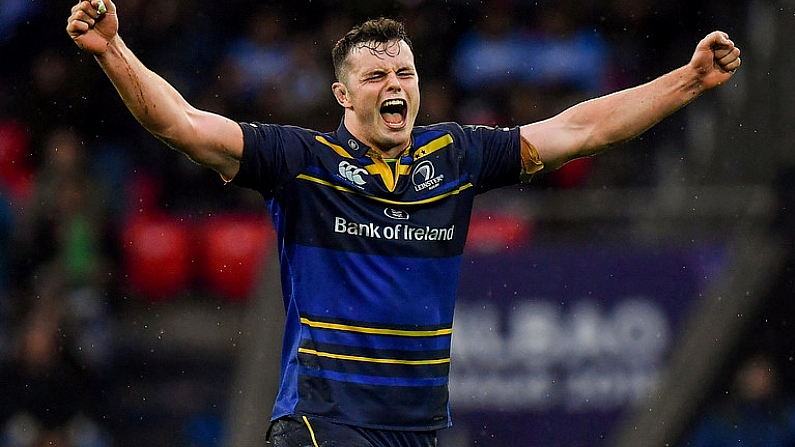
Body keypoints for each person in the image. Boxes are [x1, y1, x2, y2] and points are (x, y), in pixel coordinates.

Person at [66, 1, 741, 446]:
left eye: (406, 71)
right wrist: (112, 49)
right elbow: (177, 122)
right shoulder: (299, 160)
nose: (395, 83)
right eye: (375, 74)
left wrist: (685, 80)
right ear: (341, 94)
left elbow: (579, 128)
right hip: (321, 423)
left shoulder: (456, 155)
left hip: (418, 429)